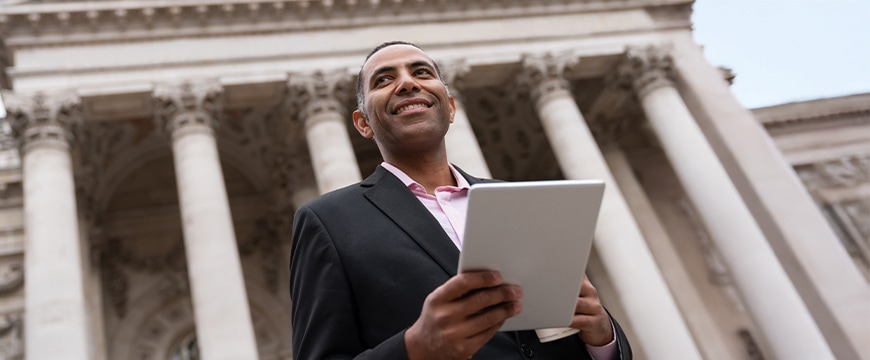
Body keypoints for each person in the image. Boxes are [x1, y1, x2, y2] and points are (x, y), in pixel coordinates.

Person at [289, 41, 632, 360]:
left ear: (450, 107)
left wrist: (603, 335)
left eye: (422, 72)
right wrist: (414, 348)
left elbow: (576, 329)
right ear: (363, 124)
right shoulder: (329, 222)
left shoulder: (519, 204)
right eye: (383, 79)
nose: (407, 84)